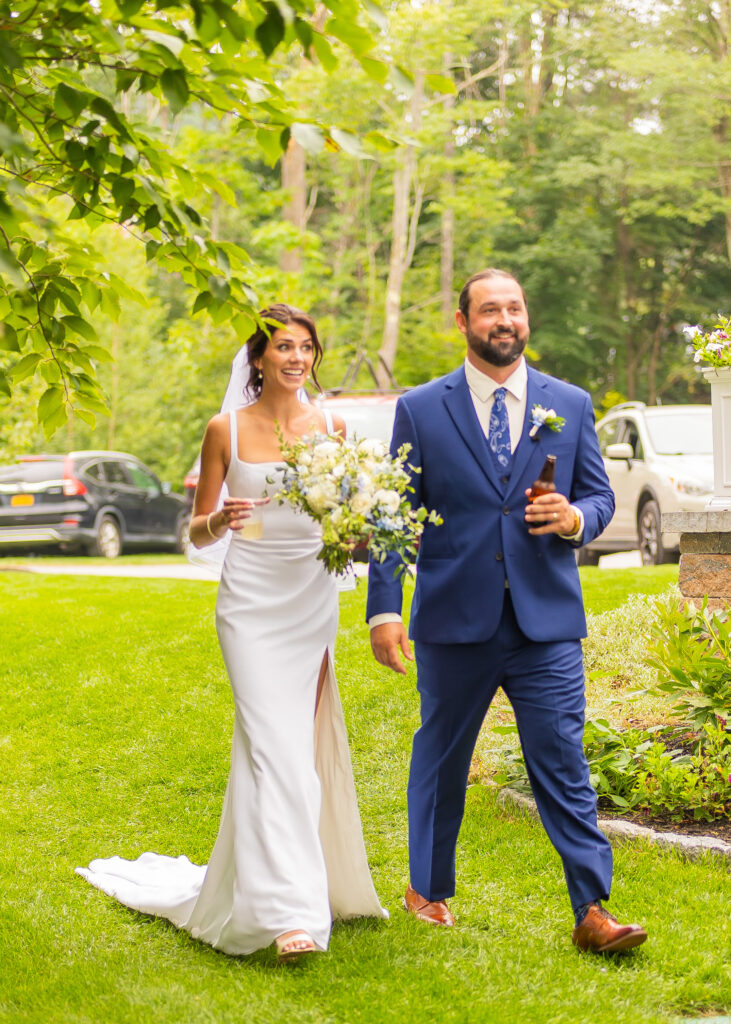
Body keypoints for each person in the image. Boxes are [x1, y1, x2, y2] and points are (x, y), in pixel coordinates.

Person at [77, 304, 386, 963]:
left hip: (308, 601)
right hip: (248, 604)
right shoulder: (226, 429)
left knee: (281, 754)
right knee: (276, 750)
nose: (296, 358)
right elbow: (192, 530)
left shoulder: (333, 426)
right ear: (258, 358)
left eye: (306, 347)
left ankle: (268, 895)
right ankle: (289, 917)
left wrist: (362, 528)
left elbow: (354, 527)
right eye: (283, 347)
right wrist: (223, 521)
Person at [366, 269, 647, 954]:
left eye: (514, 308)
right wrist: (383, 610)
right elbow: (392, 515)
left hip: (543, 621)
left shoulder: (570, 403)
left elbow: (599, 498)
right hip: (452, 616)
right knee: (441, 756)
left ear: (527, 320)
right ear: (461, 322)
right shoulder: (421, 408)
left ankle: (592, 910)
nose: (504, 319)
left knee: (561, 760)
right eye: (489, 309)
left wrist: (574, 517)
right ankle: (426, 889)